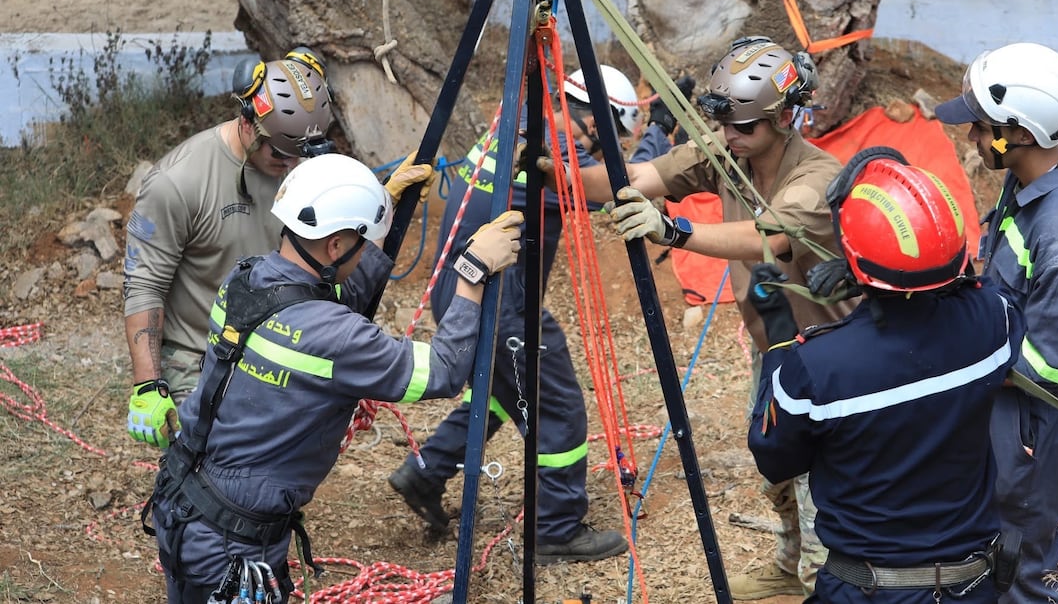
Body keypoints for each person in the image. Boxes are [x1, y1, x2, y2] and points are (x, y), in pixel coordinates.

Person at [145, 153, 524, 602]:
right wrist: (472, 273)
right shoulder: (338, 338)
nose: (363, 251)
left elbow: (327, 301)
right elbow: (442, 371)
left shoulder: (245, 279)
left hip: (183, 504)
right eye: (359, 243)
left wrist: (375, 214)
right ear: (336, 246)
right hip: (231, 544)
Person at [565, 37, 857, 599]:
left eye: (744, 127)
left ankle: (826, 587)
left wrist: (675, 232)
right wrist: (555, 173)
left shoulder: (819, 177)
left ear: (785, 117)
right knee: (776, 466)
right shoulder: (730, 154)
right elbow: (640, 177)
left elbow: (770, 236)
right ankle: (791, 569)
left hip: (831, 355)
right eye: (724, 127)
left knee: (822, 482)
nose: (730, 138)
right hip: (775, 348)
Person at [387, 65, 644, 564]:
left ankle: (427, 470)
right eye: (614, 135)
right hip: (502, 304)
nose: (608, 146)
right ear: (600, 119)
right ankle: (555, 528)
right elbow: (613, 186)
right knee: (557, 404)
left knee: (506, 388)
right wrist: (655, 148)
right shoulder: (553, 147)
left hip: (459, 290)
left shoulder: (519, 125)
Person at [747, 148, 1028, 604]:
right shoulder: (991, 324)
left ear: (852, 259)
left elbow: (775, 458)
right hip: (969, 586)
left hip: (867, 589)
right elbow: (975, 287)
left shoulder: (819, 367)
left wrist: (779, 335)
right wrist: (872, 274)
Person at [934, 42, 1058, 603]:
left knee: (1022, 554)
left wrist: (959, 351)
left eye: (980, 127)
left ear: (1018, 131)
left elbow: (1048, 369)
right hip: (1015, 407)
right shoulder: (1030, 182)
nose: (971, 137)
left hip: (1038, 420)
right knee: (993, 541)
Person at [124, 48, 336, 447]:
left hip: (273, 350)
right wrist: (148, 385)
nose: (291, 166)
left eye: (301, 155)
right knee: (209, 485)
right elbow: (144, 287)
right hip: (198, 358)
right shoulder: (178, 182)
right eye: (279, 152)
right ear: (247, 120)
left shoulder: (298, 164)